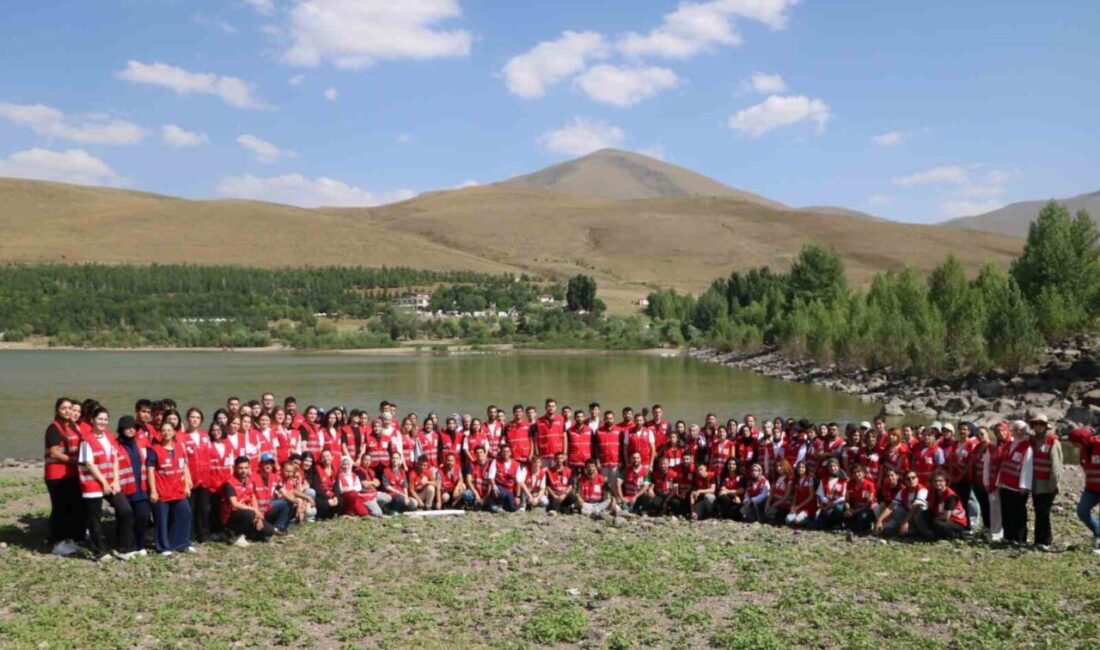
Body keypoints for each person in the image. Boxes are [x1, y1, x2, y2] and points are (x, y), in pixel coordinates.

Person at [79, 406, 137, 561]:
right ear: (92, 420)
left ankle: (122, 548)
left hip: (111, 482)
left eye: (105, 419)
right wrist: (104, 483)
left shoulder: (110, 437)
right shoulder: (86, 440)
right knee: (94, 518)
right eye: (99, 419)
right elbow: (89, 464)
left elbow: (115, 458)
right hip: (92, 483)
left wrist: (116, 479)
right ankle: (100, 551)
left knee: (125, 510)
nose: (102, 422)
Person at [44, 397, 84, 556]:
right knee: (60, 508)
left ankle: (70, 540)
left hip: (71, 474)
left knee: (72, 507)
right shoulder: (53, 428)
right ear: (57, 410)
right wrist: (74, 461)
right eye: (63, 408)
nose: (67, 411)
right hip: (57, 474)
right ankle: (57, 543)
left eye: (69, 408)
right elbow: (54, 452)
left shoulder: (73, 426)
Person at [147, 421, 194, 555]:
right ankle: (163, 547)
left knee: (185, 513)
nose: (166, 433)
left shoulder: (179, 447)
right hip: (162, 491)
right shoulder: (154, 450)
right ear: (160, 433)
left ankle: (182, 543)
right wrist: (153, 491)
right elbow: (150, 471)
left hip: (178, 490)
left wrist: (187, 485)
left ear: (174, 432)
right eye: (163, 430)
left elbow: (184, 466)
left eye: (169, 430)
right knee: (161, 520)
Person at [116, 416, 151, 554]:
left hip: (141, 487)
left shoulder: (140, 443)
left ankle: (140, 544)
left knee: (143, 516)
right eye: (127, 427)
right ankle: (124, 545)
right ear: (121, 429)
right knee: (126, 518)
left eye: (133, 427)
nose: (131, 430)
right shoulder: (116, 445)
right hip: (125, 489)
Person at [221, 457, 275, 546]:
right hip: (232, 516)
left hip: (248, 513)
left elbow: (252, 497)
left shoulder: (249, 480)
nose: (244, 471)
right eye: (241, 468)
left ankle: (249, 534)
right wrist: (254, 510)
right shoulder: (229, 483)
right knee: (248, 513)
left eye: (246, 468)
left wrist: (257, 515)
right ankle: (235, 536)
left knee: (269, 531)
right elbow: (234, 503)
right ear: (235, 468)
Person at [1028, 413, 1062, 550]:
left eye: (1041, 424)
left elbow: (1056, 465)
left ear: (1045, 426)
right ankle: (1038, 539)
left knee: (1044, 512)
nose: (1038, 426)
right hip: (1035, 484)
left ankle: (1044, 541)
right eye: (1036, 423)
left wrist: (1053, 485)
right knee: (1038, 511)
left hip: (1047, 484)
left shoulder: (1053, 441)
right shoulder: (1031, 441)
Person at [997, 420, 1034, 546]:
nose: (1018, 432)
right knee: (1006, 511)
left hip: (1017, 487)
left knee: (1018, 514)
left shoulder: (1027, 447)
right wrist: (999, 481)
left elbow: (1027, 467)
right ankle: (1008, 537)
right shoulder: (1009, 444)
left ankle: (1020, 539)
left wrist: (1025, 485)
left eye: (1021, 430)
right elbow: (1003, 464)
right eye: (1016, 429)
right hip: (1005, 483)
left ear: (1025, 432)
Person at [180, 408, 212, 544]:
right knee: (190, 508)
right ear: (187, 419)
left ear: (201, 420)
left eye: (197, 417)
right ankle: (189, 535)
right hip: (190, 479)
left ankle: (203, 535)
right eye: (192, 417)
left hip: (205, 479)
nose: (194, 420)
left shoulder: (205, 436)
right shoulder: (183, 436)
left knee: (204, 508)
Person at [1067, 427, 1100, 554]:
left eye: (1075, 442)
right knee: (1082, 511)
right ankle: (1098, 531)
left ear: (1083, 440)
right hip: (1091, 488)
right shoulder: (1083, 450)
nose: (1074, 446)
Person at [874, 471, 929, 539]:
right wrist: (880, 519)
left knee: (918, 511)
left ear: (917, 479)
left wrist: (905, 522)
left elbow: (916, 507)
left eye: (913, 478)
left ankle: (926, 533)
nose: (911, 480)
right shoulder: (902, 491)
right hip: (909, 515)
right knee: (896, 509)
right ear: (905, 481)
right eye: (908, 479)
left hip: (922, 517)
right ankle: (911, 531)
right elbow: (891, 506)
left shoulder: (922, 490)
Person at [252, 453, 292, 533]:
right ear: (261, 464)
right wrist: (258, 515)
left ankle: (279, 527)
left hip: (267, 507)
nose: (268, 466)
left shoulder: (274, 477)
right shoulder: (253, 477)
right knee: (264, 536)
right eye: (266, 463)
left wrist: (298, 502)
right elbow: (251, 499)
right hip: (255, 510)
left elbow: (285, 492)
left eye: (271, 464)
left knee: (286, 503)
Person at [927, 470, 969, 540]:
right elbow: (930, 508)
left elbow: (946, 516)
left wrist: (933, 519)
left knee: (937, 524)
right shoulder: (933, 492)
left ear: (945, 482)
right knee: (924, 515)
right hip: (941, 517)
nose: (938, 483)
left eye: (940, 481)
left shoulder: (950, 496)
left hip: (956, 521)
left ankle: (957, 535)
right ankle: (931, 534)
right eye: (935, 481)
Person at [487, 444, 523, 513]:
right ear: (501, 453)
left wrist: (517, 496)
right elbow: (491, 477)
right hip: (499, 488)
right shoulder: (495, 462)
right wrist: (494, 487)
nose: (505, 453)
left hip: (511, 490)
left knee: (513, 508)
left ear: (510, 453)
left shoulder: (516, 464)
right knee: (503, 493)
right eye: (504, 451)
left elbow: (518, 482)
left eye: (507, 451)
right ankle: (498, 504)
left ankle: (499, 505)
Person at [814, 458, 847, 530]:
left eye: (835, 466)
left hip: (839, 504)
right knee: (818, 524)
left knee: (838, 509)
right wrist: (828, 502)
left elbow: (845, 496)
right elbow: (821, 494)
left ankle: (838, 523)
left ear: (838, 467)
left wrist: (833, 503)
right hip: (826, 504)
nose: (833, 468)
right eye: (830, 466)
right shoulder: (824, 479)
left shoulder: (844, 479)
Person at [843, 464, 877, 535]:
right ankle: (849, 528)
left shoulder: (869, 485)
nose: (857, 474)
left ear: (863, 473)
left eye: (859, 472)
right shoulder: (850, 483)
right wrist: (849, 509)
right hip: (855, 507)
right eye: (854, 473)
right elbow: (846, 500)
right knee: (844, 511)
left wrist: (855, 511)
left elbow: (869, 503)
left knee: (862, 516)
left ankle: (866, 528)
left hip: (867, 509)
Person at [535, 398, 566, 470]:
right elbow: (536, 439)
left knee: (557, 476)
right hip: (544, 455)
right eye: (549, 406)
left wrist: (564, 453)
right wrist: (537, 454)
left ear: (556, 407)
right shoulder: (539, 421)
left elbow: (565, 437)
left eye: (553, 406)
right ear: (545, 407)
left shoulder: (561, 419)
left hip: (557, 455)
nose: (551, 408)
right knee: (545, 476)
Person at [786, 461, 816, 527]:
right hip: (799, 506)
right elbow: (795, 495)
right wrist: (793, 506)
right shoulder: (796, 480)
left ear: (806, 469)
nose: (800, 469)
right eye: (799, 467)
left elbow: (811, 496)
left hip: (808, 507)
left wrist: (799, 506)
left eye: (803, 467)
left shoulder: (809, 479)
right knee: (788, 520)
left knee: (797, 521)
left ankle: (811, 520)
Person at [463, 446, 493, 511]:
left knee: (493, 508)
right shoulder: (471, 464)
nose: (479, 454)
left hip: (488, 492)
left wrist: (484, 498)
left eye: (481, 452)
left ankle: (484, 504)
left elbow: (491, 483)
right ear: (475, 454)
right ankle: (474, 504)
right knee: (466, 494)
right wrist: (476, 494)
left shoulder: (491, 464)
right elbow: (468, 481)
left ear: (485, 453)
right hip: (476, 491)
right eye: (477, 453)